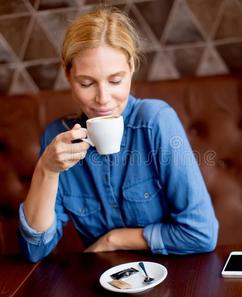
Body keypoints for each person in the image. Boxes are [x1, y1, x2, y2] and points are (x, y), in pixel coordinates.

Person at [18, 7, 218, 263]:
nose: (103, 99)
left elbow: (201, 234)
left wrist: (115, 239)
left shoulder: (155, 122)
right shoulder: (59, 139)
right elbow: (34, 251)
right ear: (67, 74)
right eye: (87, 83)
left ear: (132, 67)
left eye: (115, 81)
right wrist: (47, 169)